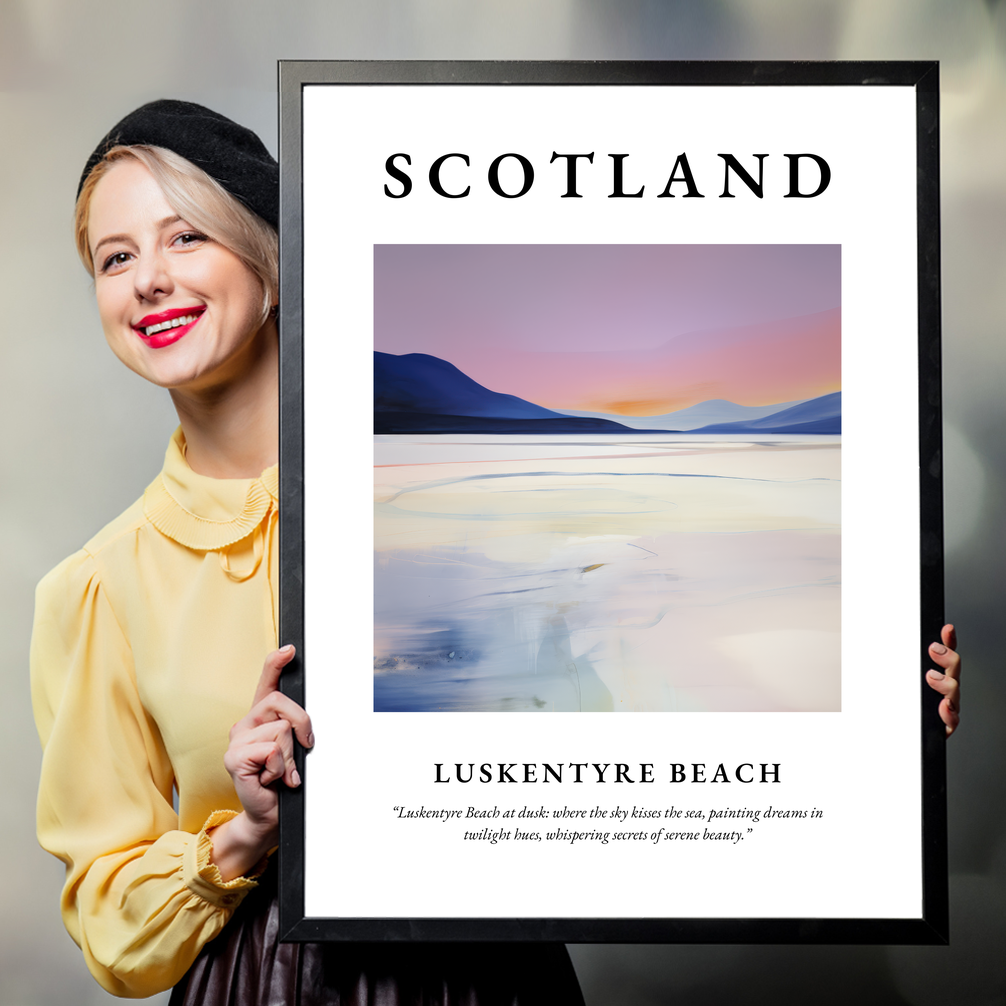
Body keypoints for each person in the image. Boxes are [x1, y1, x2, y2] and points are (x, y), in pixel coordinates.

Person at [30, 100, 585, 1004]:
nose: (148, 281)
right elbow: (109, 923)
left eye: (186, 238)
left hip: (492, 972)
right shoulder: (98, 587)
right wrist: (244, 832)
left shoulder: (454, 499)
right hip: (263, 982)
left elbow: (608, 698)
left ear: (273, 263)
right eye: (116, 257)